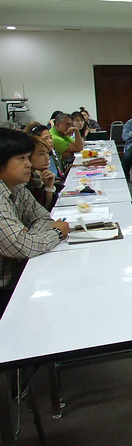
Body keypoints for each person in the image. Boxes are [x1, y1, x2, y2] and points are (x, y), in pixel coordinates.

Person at [0, 128, 69, 314]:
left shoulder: (18, 187)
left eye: (27, 157)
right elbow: (23, 247)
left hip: (20, 276)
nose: (28, 164)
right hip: (5, 291)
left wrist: (29, 237)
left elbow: (43, 217)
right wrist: (56, 232)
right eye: (21, 158)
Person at [26, 135, 57, 210]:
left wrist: (49, 187)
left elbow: (45, 210)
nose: (47, 158)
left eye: (47, 153)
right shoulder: (24, 182)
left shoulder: (35, 175)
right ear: (28, 156)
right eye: (41, 154)